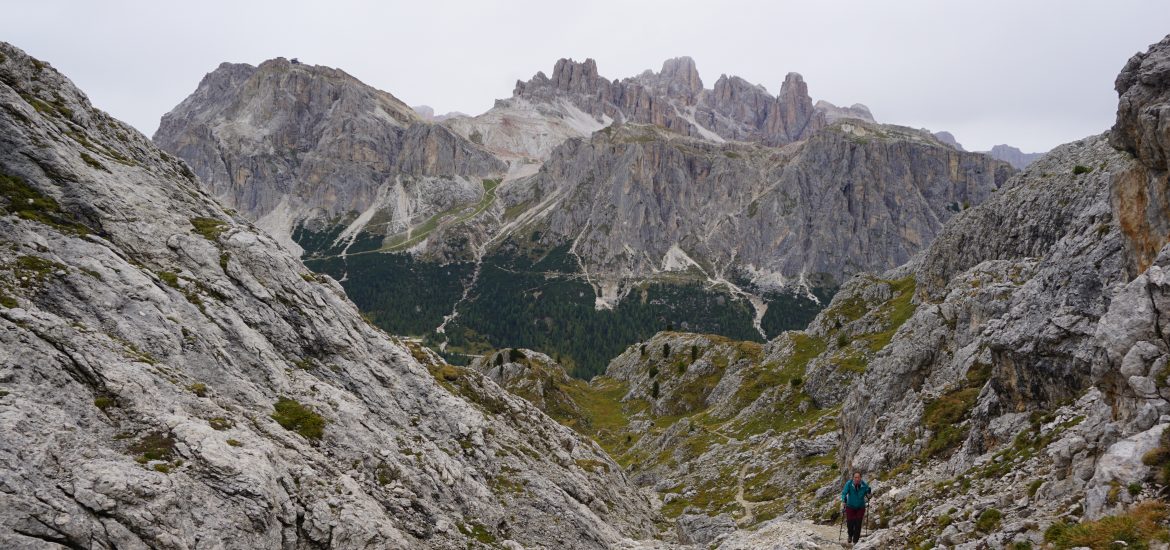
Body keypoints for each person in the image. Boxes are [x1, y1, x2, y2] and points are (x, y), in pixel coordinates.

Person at [841, 471, 871, 544]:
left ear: (861, 478)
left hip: (860, 507)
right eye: (855, 477)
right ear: (853, 478)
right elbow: (844, 493)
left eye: (858, 477)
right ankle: (850, 535)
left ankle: (855, 541)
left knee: (858, 524)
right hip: (850, 506)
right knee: (850, 523)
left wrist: (869, 492)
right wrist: (843, 500)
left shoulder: (864, 485)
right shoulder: (849, 484)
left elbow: (868, 495)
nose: (857, 479)